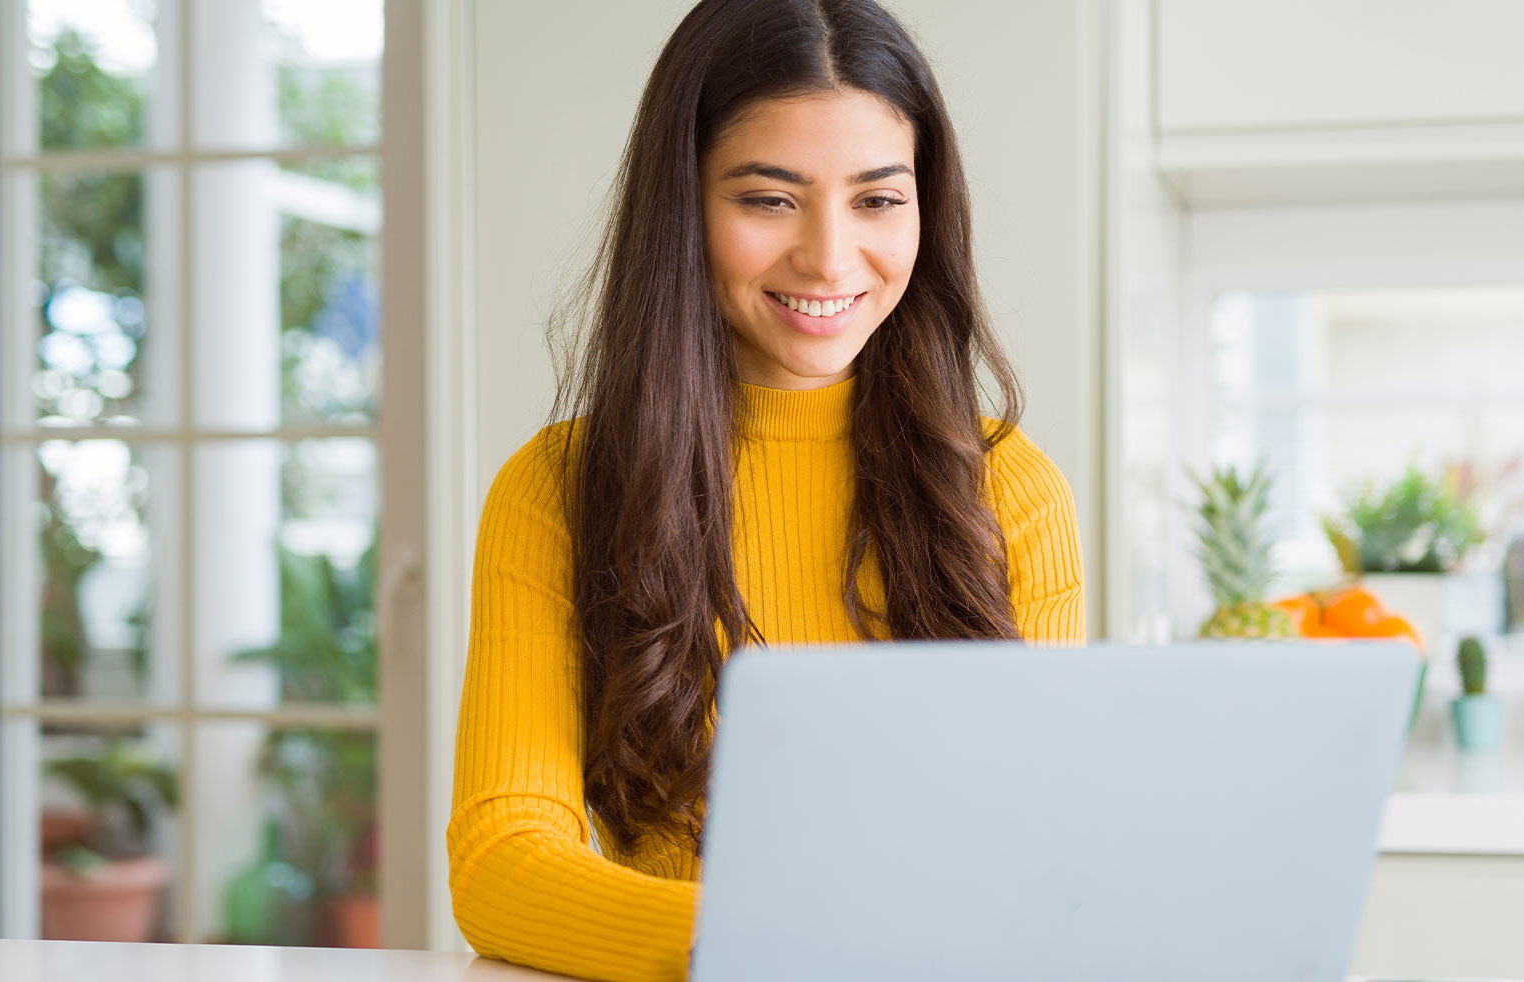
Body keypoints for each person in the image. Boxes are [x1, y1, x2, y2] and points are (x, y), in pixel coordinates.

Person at [446, 0, 1083, 978]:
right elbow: (503, 861)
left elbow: (1040, 859)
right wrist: (767, 943)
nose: (830, 257)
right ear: (685, 205)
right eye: (768, 198)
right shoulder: (557, 490)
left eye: (878, 199)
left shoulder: (1013, 491)